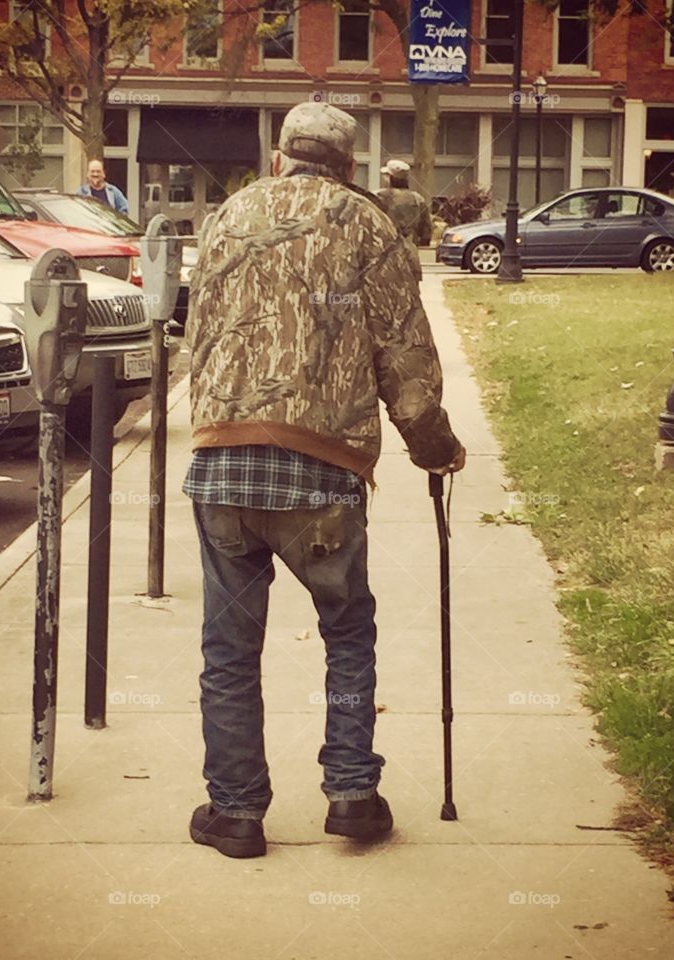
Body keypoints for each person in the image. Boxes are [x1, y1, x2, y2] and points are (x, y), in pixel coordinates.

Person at [183, 101, 466, 860]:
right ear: (347, 167)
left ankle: (237, 815)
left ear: (281, 158)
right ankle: (351, 795)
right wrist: (434, 445)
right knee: (346, 630)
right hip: (323, 471)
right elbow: (403, 358)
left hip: (224, 462)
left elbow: (195, 332)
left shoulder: (228, 217)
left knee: (229, 648)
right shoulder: (370, 224)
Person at [376, 158, 433, 247]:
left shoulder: (378, 196)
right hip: (410, 250)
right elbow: (426, 231)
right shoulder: (417, 199)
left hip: (383, 250)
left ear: (389, 178)